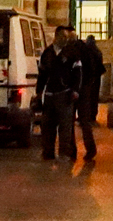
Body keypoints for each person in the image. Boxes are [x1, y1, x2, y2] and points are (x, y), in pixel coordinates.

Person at [37, 25, 83, 161]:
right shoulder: (47, 53)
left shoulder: (71, 53)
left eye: (66, 37)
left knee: (65, 127)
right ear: (56, 37)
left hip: (65, 95)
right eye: (63, 36)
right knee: (48, 126)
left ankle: (64, 153)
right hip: (50, 95)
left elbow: (78, 73)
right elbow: (42, 74)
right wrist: (39, 92)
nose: (65, 39)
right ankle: (48, 152)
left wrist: (75, 90)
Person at [72, 29, 105, 159]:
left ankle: (71, 151)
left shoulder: (72, 50)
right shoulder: (91, 51)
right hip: (86, 87)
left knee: (69, 122)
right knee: (85, 121)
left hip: (74, 88)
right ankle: (90, 149)